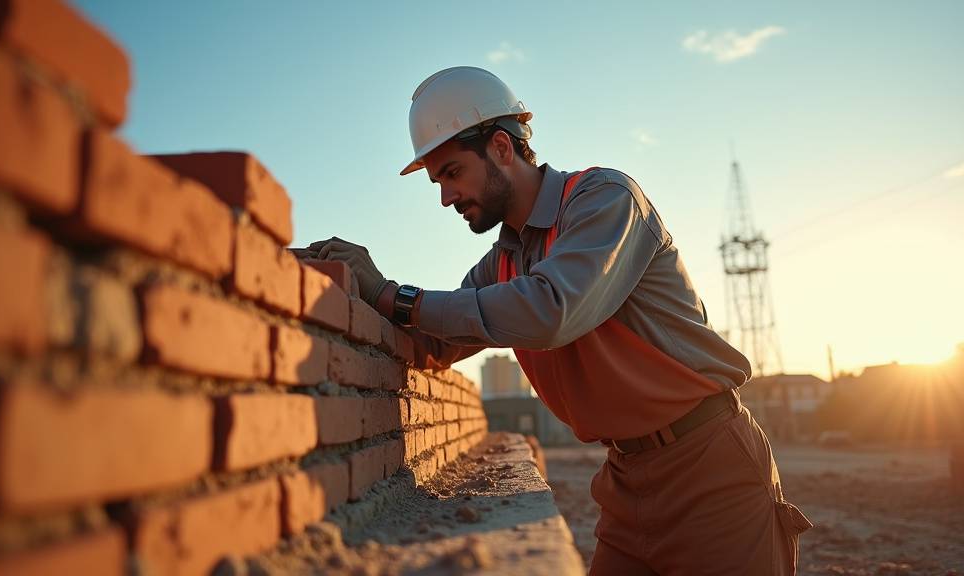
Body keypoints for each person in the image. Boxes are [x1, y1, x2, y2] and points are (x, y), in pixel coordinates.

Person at [301, 66, 811, 575]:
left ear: (501, 147)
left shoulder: (604, 201)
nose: (445, 197)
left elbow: (550, 311)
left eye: (452, 173)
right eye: (437, 181)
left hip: (710, 467)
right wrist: (344, 284)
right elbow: (433, 341)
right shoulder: (500, 262)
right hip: (626, 479)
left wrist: (395, 295)